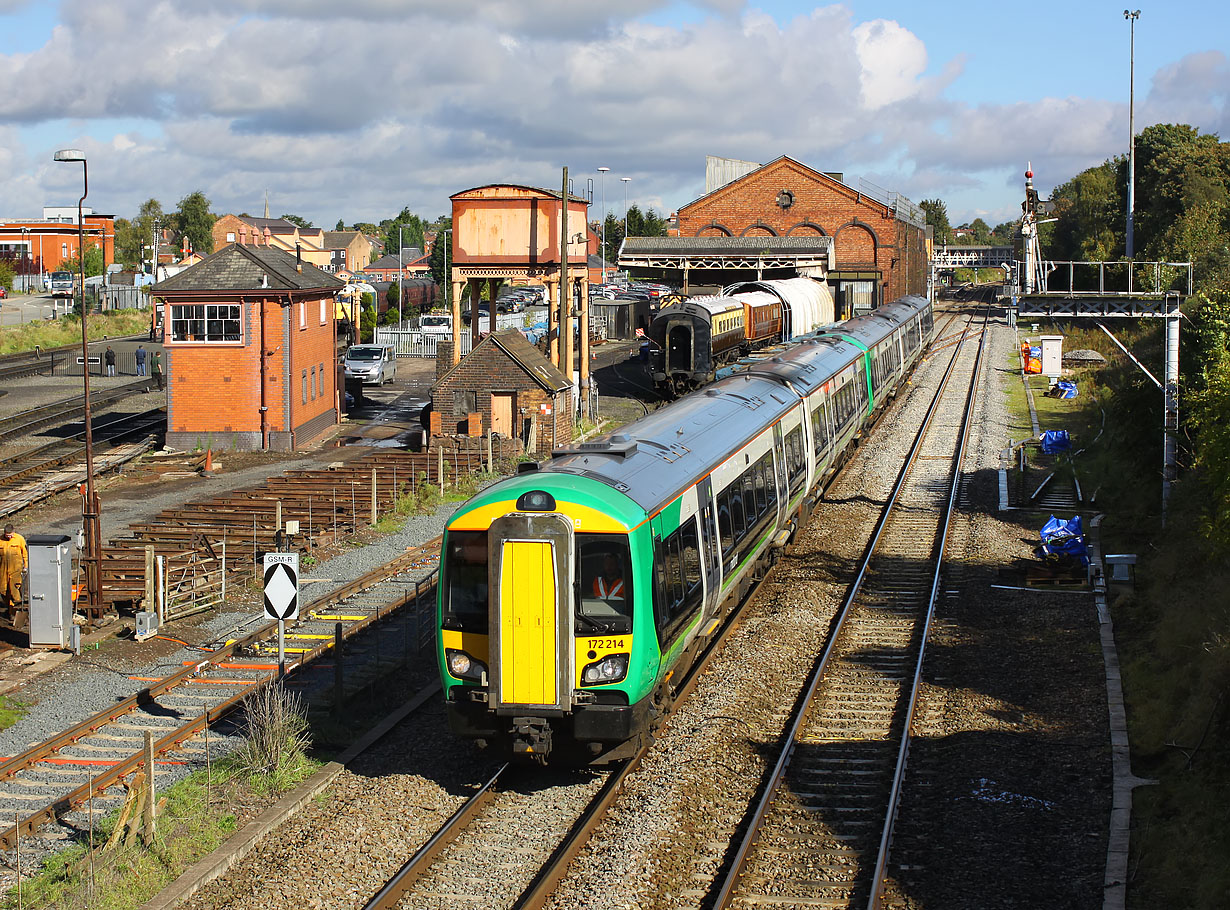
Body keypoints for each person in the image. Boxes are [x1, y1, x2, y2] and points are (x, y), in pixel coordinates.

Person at [0, 524, 28, 621]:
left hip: (16, 570)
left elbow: (25, 554)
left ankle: (17, 610)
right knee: (3, 591)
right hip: (3, 570)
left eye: (10, 535)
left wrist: (26, 567)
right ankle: (10, 610)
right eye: (7, 535)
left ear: (14, 531)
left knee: (14, 591)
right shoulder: (0, 540)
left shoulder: (19, 539)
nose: (9, 537)